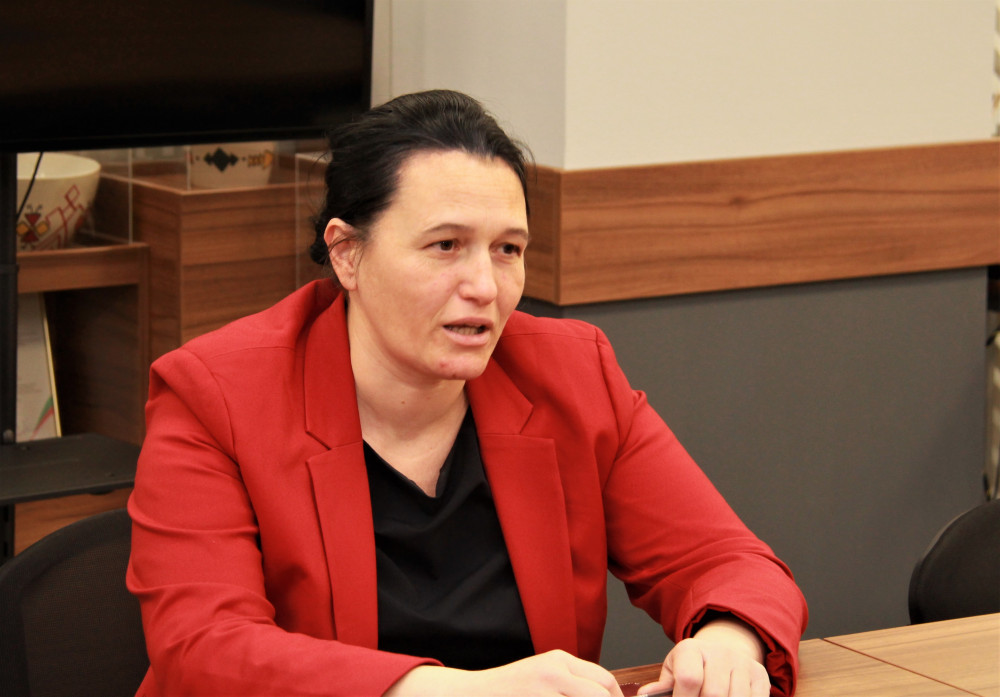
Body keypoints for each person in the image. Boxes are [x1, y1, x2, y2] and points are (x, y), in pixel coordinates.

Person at [127, 89, 807, 697]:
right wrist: (453, 690)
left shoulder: (571, 372)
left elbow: (728, 561)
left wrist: (726, 640)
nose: (485, 286)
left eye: (508, 249)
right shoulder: (215, 395)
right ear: (347, 253)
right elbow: (203, 649)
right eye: (446, 245)